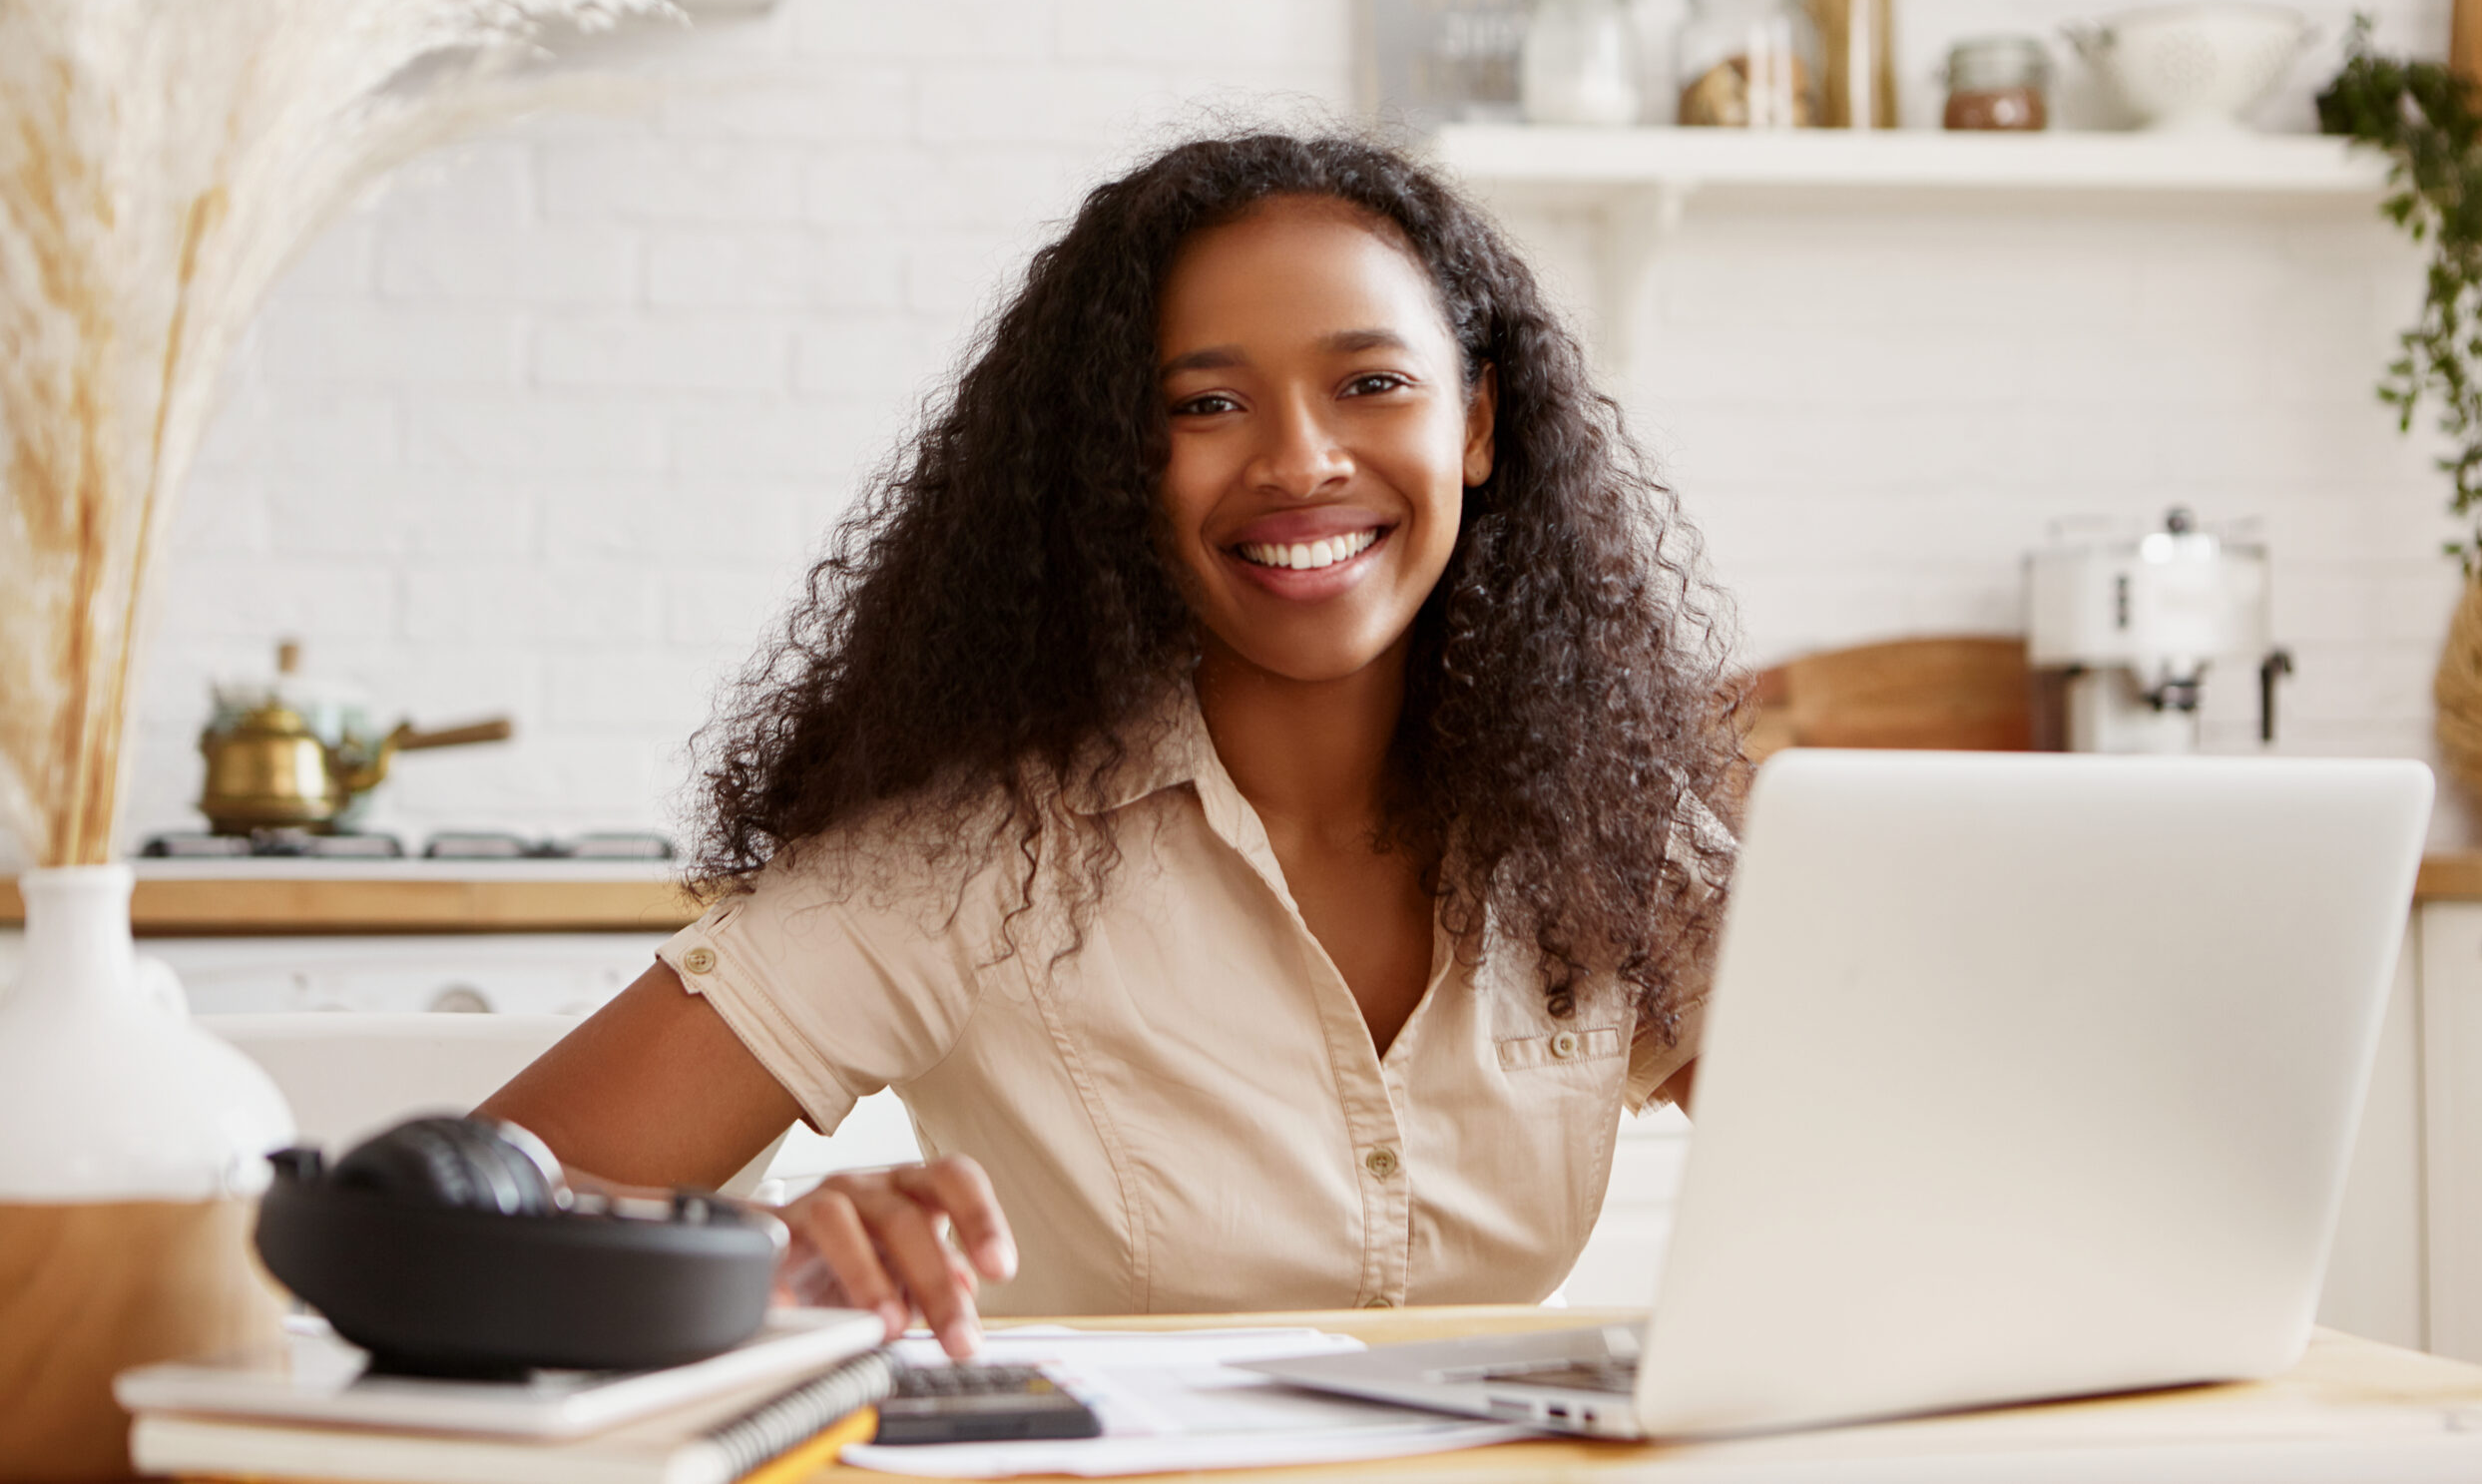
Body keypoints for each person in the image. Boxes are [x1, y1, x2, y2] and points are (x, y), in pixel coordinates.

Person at [485, 130, 1746, 1358]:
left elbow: (1895, 1166)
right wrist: (753, 1254)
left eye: (1370, 383)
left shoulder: (1601, 825)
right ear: (1118, 470)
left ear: (1475, 426)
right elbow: (463, 1216)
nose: (1300, 460)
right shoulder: (975, 855)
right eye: (1206, 404)